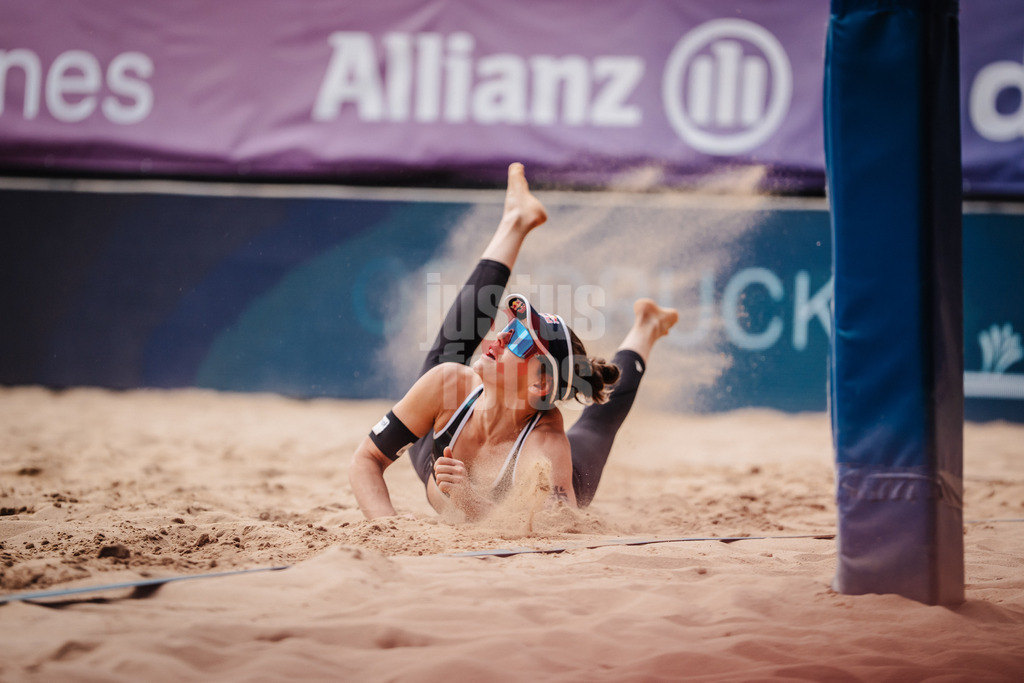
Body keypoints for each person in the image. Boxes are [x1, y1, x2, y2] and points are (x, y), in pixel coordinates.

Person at [349, 163, 678, 521]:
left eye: (520, 341)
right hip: (441, 444)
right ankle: (516, 221)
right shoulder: (449, 385)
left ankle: (647, 328)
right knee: (448, 357)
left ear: (539, 381)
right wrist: (388, 526)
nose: (500, 337)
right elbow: (366, 459)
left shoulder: (546, 445)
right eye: (508, 328)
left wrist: (469, 500)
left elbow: (553, 528)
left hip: (537, 469)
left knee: (599, 421)